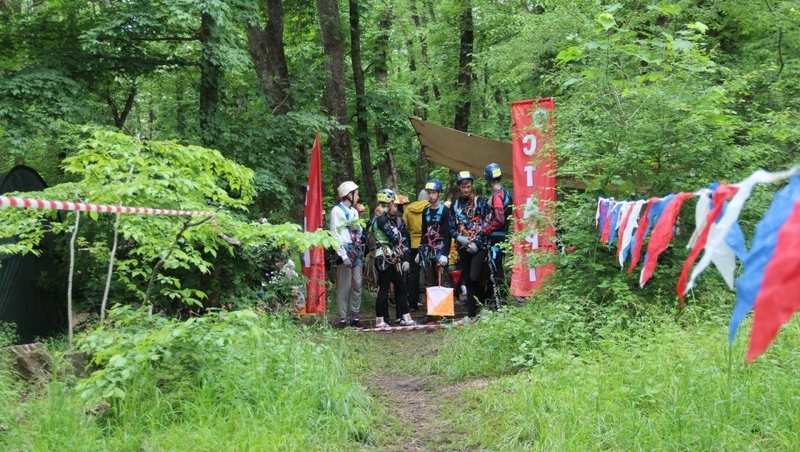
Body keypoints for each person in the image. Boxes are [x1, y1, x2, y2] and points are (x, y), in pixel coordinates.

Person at [371, 189, 415, 329]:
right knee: (384, 288)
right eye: (392, 203)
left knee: (401, 286)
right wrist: (397, 235)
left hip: (390, 256)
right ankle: (380, 320)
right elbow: (394, 237)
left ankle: (406, 317)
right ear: (388, 202)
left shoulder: (384, 218)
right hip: (384, 256)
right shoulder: (381, 219)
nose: (394, 206)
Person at [449, 171, 488, 321]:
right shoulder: (455, 205)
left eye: (469, 186)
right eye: (463, 187)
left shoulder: (480, 202)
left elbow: (486, 224)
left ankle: (483, 307)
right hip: (463, 247)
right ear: (459, 187)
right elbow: (451, 226)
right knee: (468, 280)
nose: (466, 189)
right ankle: (471, 314)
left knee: (475, 277)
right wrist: (459, 238)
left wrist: (478, 243)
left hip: (478, 246)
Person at [416, 179, 453, 324]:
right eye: (429, 193)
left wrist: (445, 253)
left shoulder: (445, 211)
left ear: (439, 194)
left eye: (433, 193)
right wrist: (420, 251)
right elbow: (424, 232)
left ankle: (446, 313)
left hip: (440, 249)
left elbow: (448, 234)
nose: (431, 196)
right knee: (429, 282)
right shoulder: (425, 211)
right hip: (427, 250)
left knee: (443, 281)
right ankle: (430, 312)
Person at [330, 181, 364, 328]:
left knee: (357, 283)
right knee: (345, 285)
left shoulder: (355, 211)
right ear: (349, 195)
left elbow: (360, 231)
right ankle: (343, 318)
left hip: (355, 249)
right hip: (344, 249)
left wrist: (357, 227)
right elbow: (335, 234)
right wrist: (342, 255)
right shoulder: (336, 211)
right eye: (356, 193)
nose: (357, 196)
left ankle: (355, 316)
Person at [481, 163, 513, 307]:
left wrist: (486, 229)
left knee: (495, 272)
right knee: (499, 270)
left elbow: (500, 218)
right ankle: (501, 302)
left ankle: (500, 304)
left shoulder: (497, 196)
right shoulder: (506, 193)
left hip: (496, 238)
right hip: (504, 236)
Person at [402, 189, 430, 312]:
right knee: (430, 275)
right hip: (428, 244)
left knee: (413, 275)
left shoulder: (409, 209)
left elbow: (403, 226)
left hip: (414, 245)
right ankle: (430, 304)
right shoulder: (430, 207)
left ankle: (413, 304)